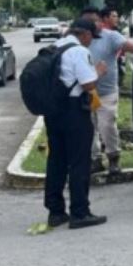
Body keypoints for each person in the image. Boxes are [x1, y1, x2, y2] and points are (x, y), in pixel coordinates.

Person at [44, 18, 108, 230]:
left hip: (53, 111)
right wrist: (98, 71)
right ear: (86, 35)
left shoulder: (54, 47)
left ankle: (56, 212)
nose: (91, 42)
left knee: (57, 160)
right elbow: (88, 83)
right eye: (92, 38)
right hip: (74, 111)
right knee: (79, 162)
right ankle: (80, 213)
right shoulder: (79, 51)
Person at [83, 7, 133, 175]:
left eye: (94, 20)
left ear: (100, 20)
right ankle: (95, 159)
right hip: (85, 92)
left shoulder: (111, 37)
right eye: (86, 21)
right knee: (88, 127)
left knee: (107, 125)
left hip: (106, 91)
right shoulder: (79, 39)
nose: (90, 24)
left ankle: (114, 158)